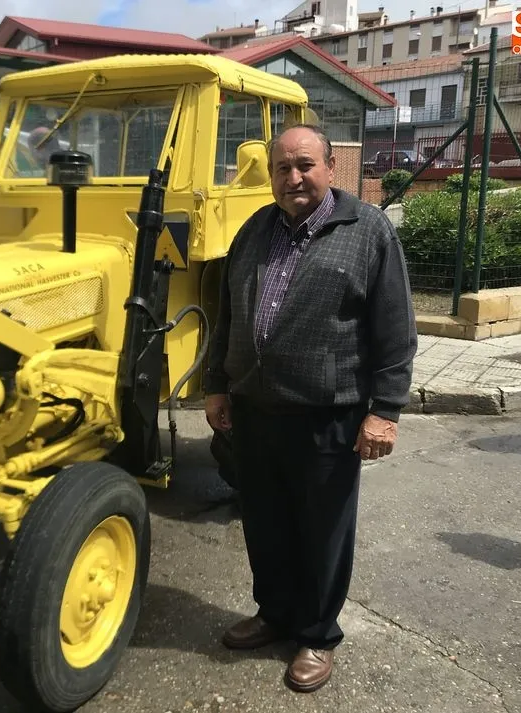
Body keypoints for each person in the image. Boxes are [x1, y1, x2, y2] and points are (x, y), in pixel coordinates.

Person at [203, 124, 418, 693]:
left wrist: (386, 409)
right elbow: (226, 314)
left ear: (330, 168)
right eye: (281, 167)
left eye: (304, 165)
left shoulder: (366, 231)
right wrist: (217, 384)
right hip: (254, 410)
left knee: (322, 531)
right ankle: (275, 614)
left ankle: (318, 635)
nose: (292, 177)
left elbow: (395, 326)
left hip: (329, 414)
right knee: (266, 525)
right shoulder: (255, 230)